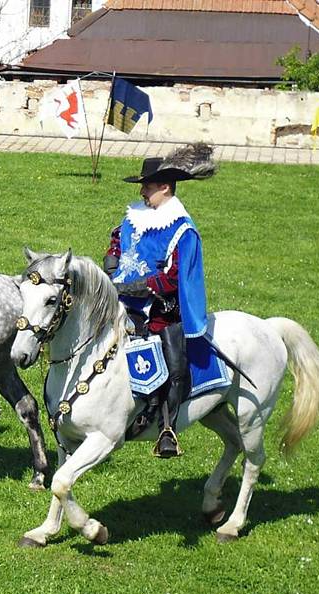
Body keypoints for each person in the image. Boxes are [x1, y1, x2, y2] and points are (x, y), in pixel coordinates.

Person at [104, 143, 216, 458]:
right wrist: (112, 262)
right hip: (120, 297)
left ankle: (166, 427)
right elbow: (117, 241)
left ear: (165, 188)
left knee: (173, 361)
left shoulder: (182, 229)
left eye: (148, 186)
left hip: (161, 308)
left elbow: (174, 277)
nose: (142, 192)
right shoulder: (135, 216)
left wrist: (142, 287)